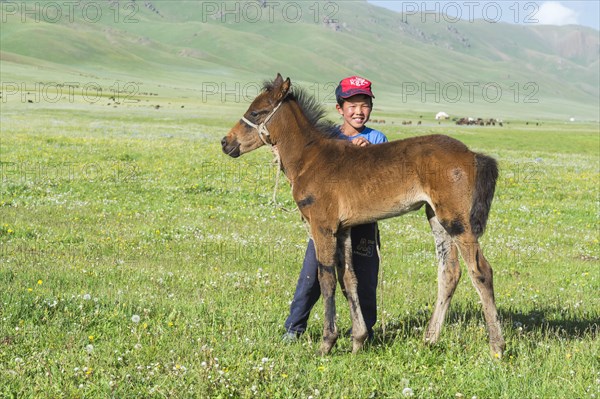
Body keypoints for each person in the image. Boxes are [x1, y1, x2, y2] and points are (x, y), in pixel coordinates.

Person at [282, 76, 388, 342]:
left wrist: (371, 152)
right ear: (340, 109)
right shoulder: (327, 137)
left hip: (363, 219)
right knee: (313, 274)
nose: (359, 111)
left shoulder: (377, 138)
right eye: (352, 105)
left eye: (364, 105)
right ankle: (294, 328)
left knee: (366, 276)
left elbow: (387, 177)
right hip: (326, 219)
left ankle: (365, 329)